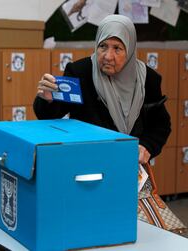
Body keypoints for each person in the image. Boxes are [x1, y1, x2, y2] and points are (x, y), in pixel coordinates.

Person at [34, 14, 171, 164]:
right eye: (103, 46)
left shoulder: (147, 79)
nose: (108, 56)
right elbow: (49, 115)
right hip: (87, 161)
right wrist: (48, 100)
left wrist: (147, 146)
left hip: (131, 163)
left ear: (130, 49)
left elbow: (160, 124)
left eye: (117, 48)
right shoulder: (80, 72)